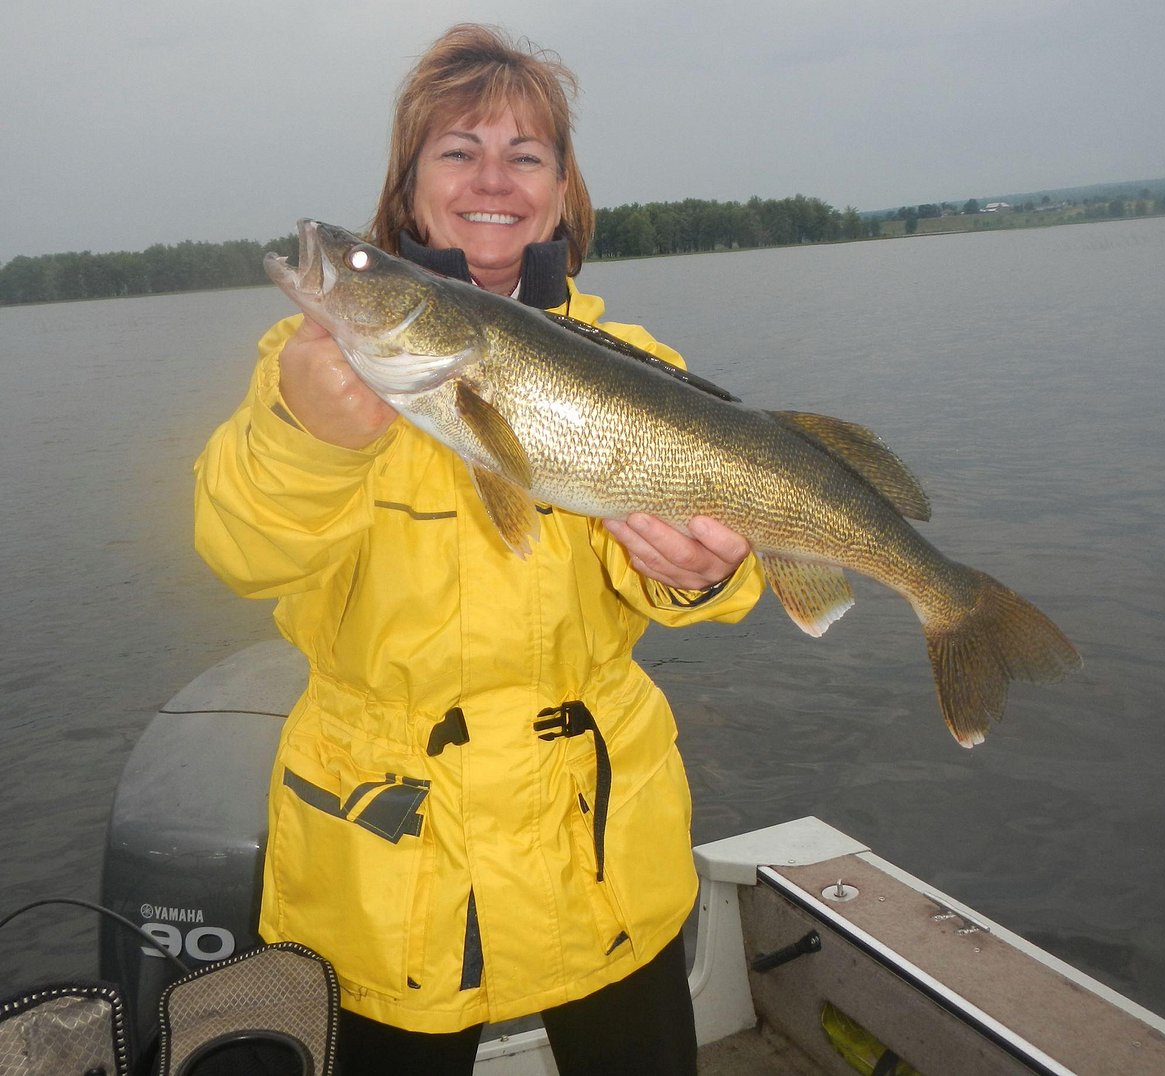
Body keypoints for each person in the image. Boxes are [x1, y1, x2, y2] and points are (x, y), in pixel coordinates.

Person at [194, 23, 764, 1075]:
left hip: (596, 846)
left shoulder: (642, 367)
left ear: (560, 191)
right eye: (457, 150)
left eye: (525, 153)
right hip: (389, 864)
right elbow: (241, 551)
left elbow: (716, 580)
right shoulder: (308, 366)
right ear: (410, 191)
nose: (492, 176)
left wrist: (710, 573)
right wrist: (313, 440)